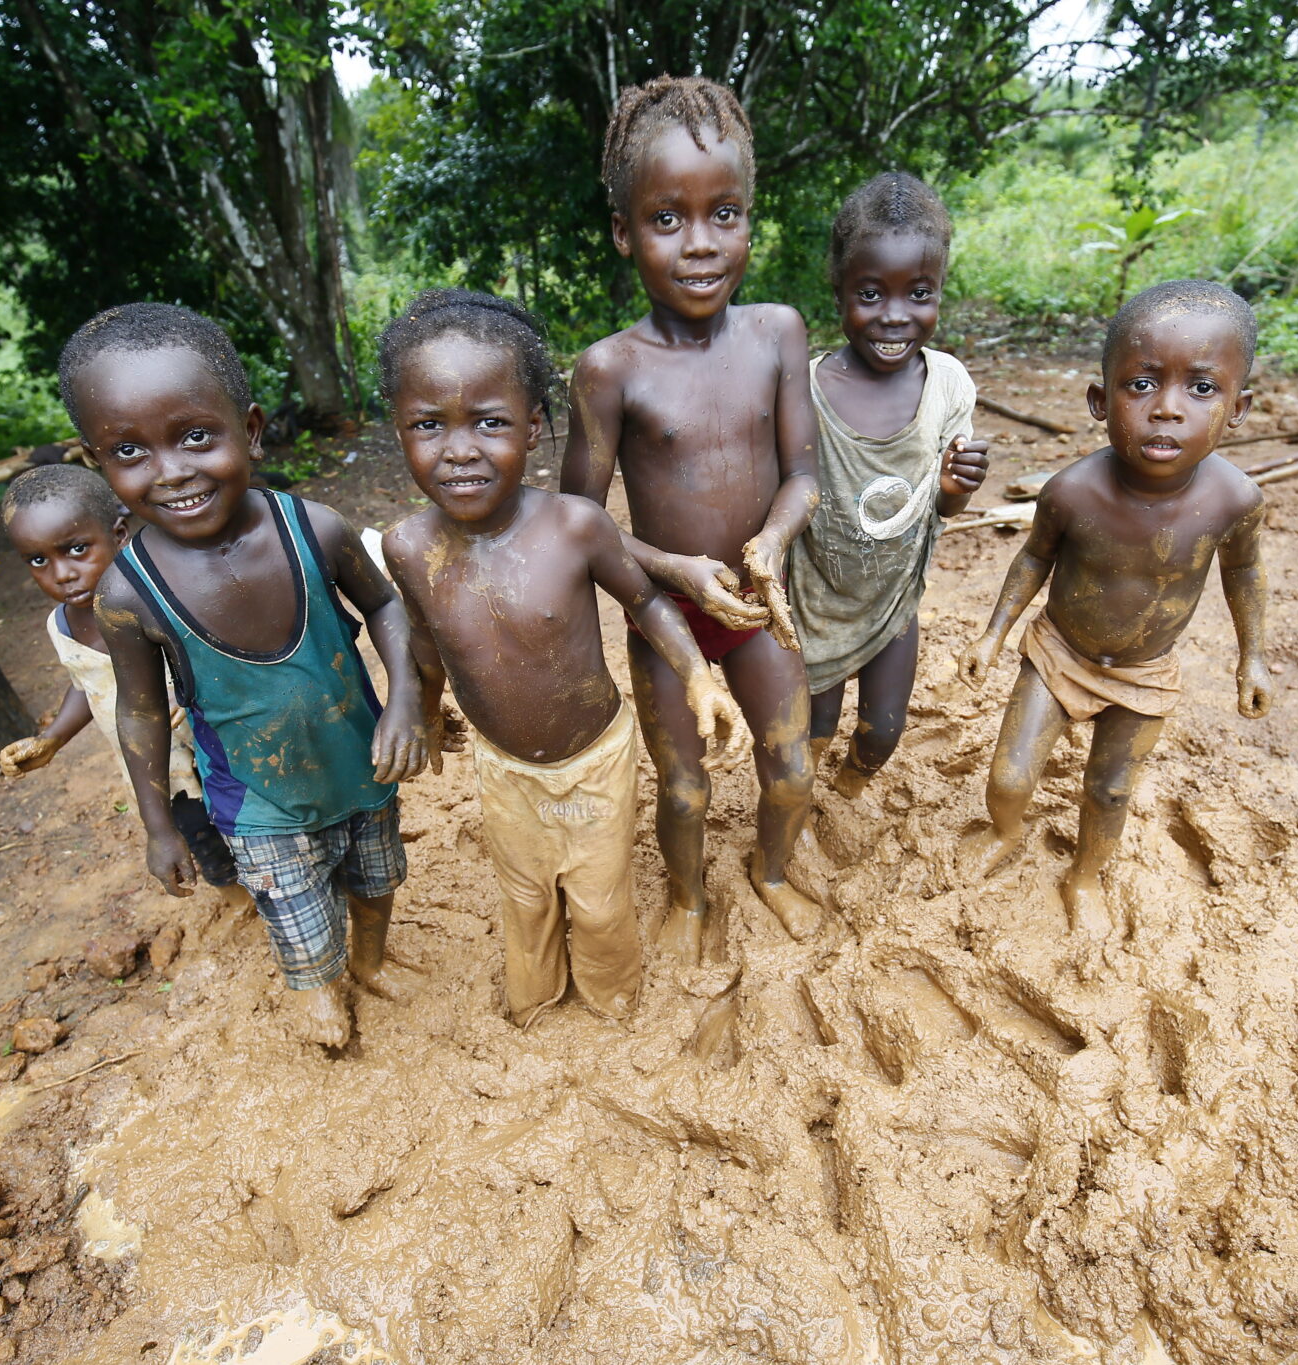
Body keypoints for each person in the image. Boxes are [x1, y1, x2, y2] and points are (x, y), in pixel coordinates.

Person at [378, 289, 752, 1025]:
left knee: (600, 897)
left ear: (534, 425)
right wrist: (421, 709)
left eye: (490, 422)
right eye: (429, 425)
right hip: (504, 767)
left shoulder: (575, 526)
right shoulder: (408, 547)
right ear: (400, 431)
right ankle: (535, 997)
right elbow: (425, 640)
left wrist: (700, 678)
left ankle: (613, 998)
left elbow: (647, 602)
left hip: (594, 762)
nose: (460, 450)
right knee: (524, 896)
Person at [65, 302, 431, 1047]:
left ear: (252, 430)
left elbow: (387, 605)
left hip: (360, 766)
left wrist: (405, 700)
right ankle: (319, 989)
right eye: (130, 450)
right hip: (257, 803)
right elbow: (140, 712)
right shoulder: (128, 595)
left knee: (377, 881)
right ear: (97, 464)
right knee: (295, 915)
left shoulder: (314, 529)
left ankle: (370, 960)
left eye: (196, 436)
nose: (172, 471)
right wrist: (159, 825)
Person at [561, 75, 823, 965]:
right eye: (668, 219)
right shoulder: (609, 369)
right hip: (664, 618)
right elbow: (577, 525)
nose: (701, 243)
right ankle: (688, 896)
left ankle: (773, 873)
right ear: (623, 232)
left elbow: (804, 476)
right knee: (683, 791)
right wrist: (675, 570)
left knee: (793, 769)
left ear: (750, 219)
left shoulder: (778, 333)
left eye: (725, 214)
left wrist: (772, 542)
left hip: (758, 608)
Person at [957, 280, 1272, 937]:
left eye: (1202, 388)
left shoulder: (1235, 500)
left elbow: (1243, 571)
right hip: (1059, 653)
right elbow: (1033, 559)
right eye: (1142, 384)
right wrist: (994, 634)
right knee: (1010, 778)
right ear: (1101, 400)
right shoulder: (1072, 491)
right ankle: (1006, 831)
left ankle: (1086, 875)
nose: (1168, 409)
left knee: (1111, 789)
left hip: (1144, 671)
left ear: (1238, 408)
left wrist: (1254, 658)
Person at [793, 172, 990, 799]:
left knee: (882, 732)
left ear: (940, 292)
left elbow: (944, 508)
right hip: (815, 604)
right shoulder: (804, 388)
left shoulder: (948, 384)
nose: (896, 315)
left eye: (920, 293)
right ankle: (802, 808)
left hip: (894, 600)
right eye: (871, 294)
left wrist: (958, 485)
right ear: (839, 291)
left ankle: (848, 790)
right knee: (812, 729)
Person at [0, 464, 236, 886]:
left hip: (219, 749)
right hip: (160, 770)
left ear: (119, 534)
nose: (62, 574)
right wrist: (53, 739)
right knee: (199, 839)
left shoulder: (162, 595)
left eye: (76, 549)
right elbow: (89, 686)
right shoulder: (62, 628)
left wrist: (189, 692)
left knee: (246, 823)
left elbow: (226, 652)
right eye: (39, 560)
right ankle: (233, 893)